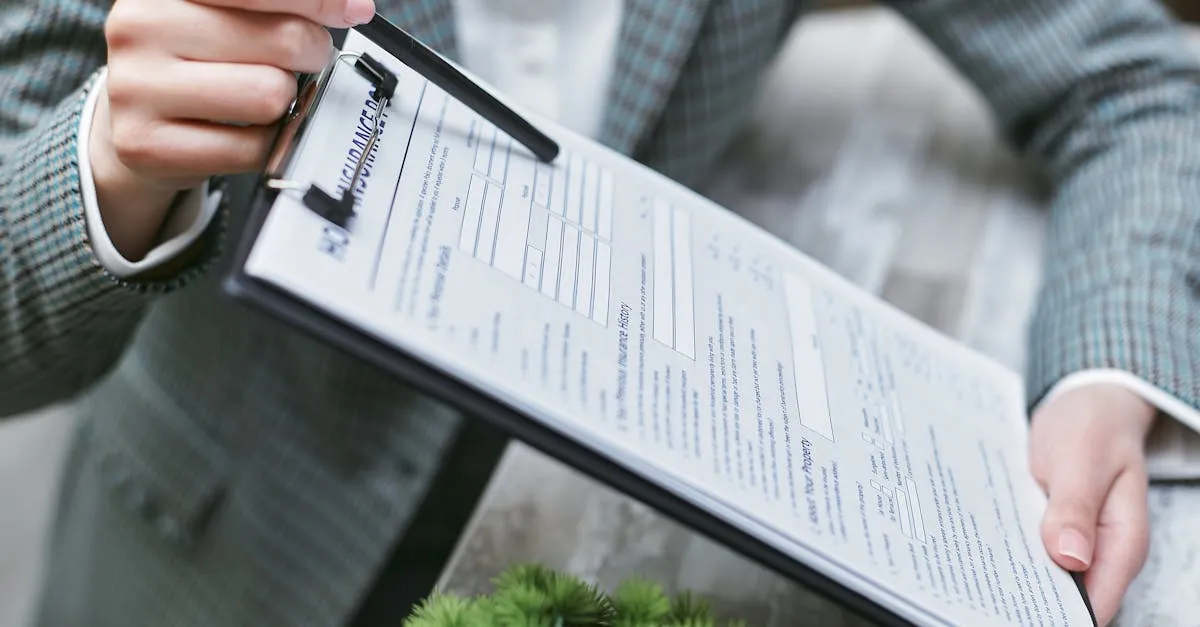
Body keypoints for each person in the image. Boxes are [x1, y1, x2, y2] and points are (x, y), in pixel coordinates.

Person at [2, 0, 1197, 625]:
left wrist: (1103, 373)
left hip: (605, 554)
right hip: (223, 556)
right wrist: (113, 159)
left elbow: (1131, 77)